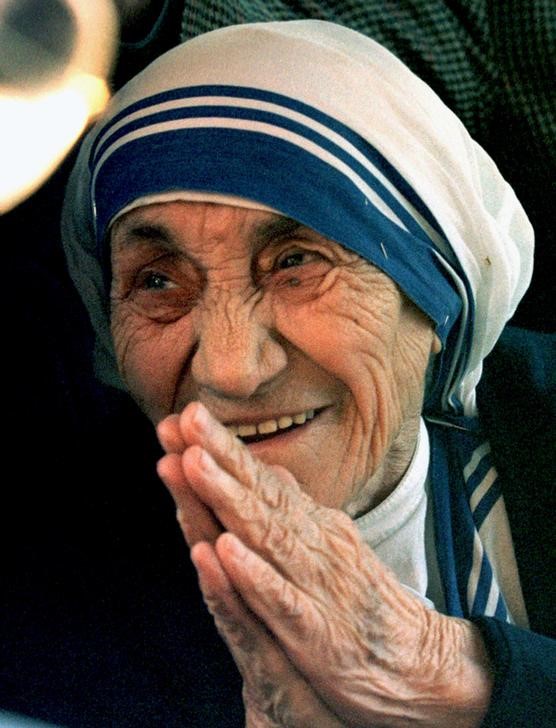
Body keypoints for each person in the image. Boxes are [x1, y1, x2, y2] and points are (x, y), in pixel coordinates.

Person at [60, 20, 554, 727]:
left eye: (295, 263)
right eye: (158, 281)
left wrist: (462, 679)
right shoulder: (63, 579)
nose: (232, 371)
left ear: (437, 286)